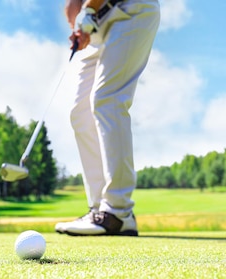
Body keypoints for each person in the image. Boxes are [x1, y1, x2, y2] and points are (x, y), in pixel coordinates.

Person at [54, 0, 160, 236]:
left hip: (130, 11)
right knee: (80, 113)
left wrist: (88, 10)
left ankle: (117, 211)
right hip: (97, 26)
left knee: (107, 100)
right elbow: (72, 5)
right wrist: (78, 26)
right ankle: (99, 209)